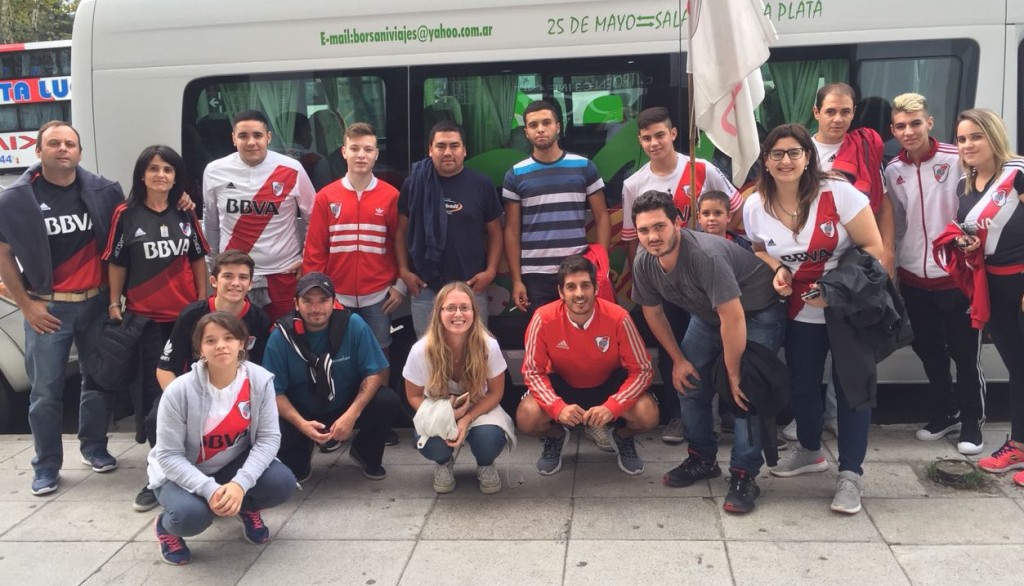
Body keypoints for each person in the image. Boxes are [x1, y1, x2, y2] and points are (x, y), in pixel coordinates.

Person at [744, 124, 884, 515]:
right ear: (766, 161)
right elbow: (756, 247)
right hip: (797, 309)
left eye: (793, 152)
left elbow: (873, 248)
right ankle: (809, 451)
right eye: (777, 154)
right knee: (802, 383)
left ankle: (851, 474)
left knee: (852, 387)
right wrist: (776, 268)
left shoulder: (839, 193)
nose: (785, 160)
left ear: (808, 157)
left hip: (847, 308)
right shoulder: (755, 204)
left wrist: (834, 291)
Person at [631, 190, 784, 515]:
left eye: (659, 227)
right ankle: (702, 458)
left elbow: (733, 317)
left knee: (745, 392)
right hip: (709, 315)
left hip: (754, 312)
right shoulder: (644, 260)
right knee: (689, 383)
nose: (652, 237)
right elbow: (652, 312)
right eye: (644, 230)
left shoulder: (704, 255)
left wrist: (732, 372)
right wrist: (678, 360)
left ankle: (744, 474)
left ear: (678, 222)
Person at [0, 121, 125, 496]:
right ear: (38, 151)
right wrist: (27, 305)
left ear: (80, 152)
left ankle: (94, 448)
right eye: (53, 143)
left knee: (98, 382)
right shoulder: (15, 199)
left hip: (97, 303)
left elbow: (130, 228)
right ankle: (47, 466)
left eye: (70, 143)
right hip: (50, 310)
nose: (62, 149)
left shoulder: (105, 190)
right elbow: (3, 254)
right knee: (45, 392)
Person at [621, 107, 742, 445]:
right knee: (673, 345)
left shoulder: (701, 169)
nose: (654, 142)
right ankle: (678, 414)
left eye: (660, 134)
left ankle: (731, 410)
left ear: (674, 133)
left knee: (721, 343)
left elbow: (734, 206)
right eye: (646, 137)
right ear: (640, 142)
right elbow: (633, 240)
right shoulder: (634, 184)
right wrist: (642, 279)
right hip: (667, 280)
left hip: (710, 276)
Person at [148, 311, 296, 565]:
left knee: (282, 483)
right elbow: (168, 456)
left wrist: (240, 484)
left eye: (229, 337)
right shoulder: (179, 391)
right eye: (210, 340)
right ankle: (165, 528)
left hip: (231, 465)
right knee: (191, 516)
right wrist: (209, 489)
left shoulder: (259, 380)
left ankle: (247, 506)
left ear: (242, 343)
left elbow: (269, 439)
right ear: (200, 349)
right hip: (183, 472)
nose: (220, 346)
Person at [133, 250, 273, 512]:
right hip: (191, 392)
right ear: (214, 281)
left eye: (243, 277)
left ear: (251, 284)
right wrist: (183, 403)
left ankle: (240, 481)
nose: (235, 283)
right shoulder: (191, 315)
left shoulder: (259, 319)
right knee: (155, 417)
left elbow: (258, 371)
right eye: (228, 276)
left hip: (236, 394)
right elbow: (165, 369)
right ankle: (160, 479)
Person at [884, 93, 985, 454]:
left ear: (929, 122)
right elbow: (895, 223)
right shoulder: (893, 170)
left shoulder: (955, 158)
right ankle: (946, 411)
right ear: (893, 130)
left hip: (955, 276)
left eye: (915, 123)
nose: (908, 132)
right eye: (900, 126)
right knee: (929, 350)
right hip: (913, 277)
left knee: (964, 351)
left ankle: (973, 420)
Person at [516, 255, 656, 476]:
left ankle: (622, 436)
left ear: (596, 288)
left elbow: (642, 370)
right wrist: (556, 407)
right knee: (527, 417)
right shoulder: (542, 319)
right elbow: (533, 372)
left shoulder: (619, 317)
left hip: (608, 384)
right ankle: (556, 437)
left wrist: (614, 406)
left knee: (647, 414)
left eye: (585, 286)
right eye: (571, 287)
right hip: (564, 385)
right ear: (561, 292)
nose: (579, 294)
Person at [263, 272, 401, 482]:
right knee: (293, 468)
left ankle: (364, 452)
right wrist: (301, 424)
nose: (316, 309)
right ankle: (301, 450)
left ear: (335, 302)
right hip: (302, 407)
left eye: (323, 300)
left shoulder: (353, 324)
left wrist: (352, 414)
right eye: (307, 301)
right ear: (296, 304)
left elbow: (375, 372)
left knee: (386, 400)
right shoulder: (281, 336)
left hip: (343, 401)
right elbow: (274, 392)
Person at [950, 109, 1024, 486]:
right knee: (1018, 368)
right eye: (962, 139)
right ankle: (1019, 446)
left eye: (975, 136)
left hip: (1021, 284)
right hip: (993, 286)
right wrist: (968, 244)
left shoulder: (1018, 172)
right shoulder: (969, 183)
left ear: (993, 136)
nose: (967, 145)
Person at [203, 109, 316, 322]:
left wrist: (306, 258)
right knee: (236, 340)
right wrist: (213, 263)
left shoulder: (292, 168)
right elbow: (210, 222)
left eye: (257, 135)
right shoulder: (214, 171)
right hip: (235, 276)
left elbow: (314, 217)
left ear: (269, 137)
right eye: (243, 136)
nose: (251, 142)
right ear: (233, 138)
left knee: (282, 338)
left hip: (282, 273)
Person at [403, 281, 515, 494]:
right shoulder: (421, 350)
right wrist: (445, 414)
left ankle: (486, 464)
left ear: (474, 311)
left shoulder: (488, 345)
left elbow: (496, 392)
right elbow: (414, 395)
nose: (458, 314)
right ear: (439, 312)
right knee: (431, 443)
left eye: (464, 307)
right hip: (438, 405)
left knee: (489, 438)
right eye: (450, 308)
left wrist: (465, 418)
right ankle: (443, 462)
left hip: (479, 405)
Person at [396, 121, 503, 337]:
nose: (447, 152)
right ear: (430, 150)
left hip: (471, 288)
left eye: (454, 146)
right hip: (426, 287)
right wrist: (404, 272)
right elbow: (401, 232)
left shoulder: (481, 184)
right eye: (440, 146)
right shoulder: (414, 184)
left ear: (464, 150)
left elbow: (495, 231)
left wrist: (490, 271)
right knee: (428, 357)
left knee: (476, 354)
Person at [502, 100, 611, 312]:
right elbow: (512, 230)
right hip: (535, 274)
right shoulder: (514, 175)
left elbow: (602, 216)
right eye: (533, 125)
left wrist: (600, 264)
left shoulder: (584, 167)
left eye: (546, 122)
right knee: (545, 336)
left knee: (582, 331)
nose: (540, 129)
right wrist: (517, 280)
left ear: (558, 127)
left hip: (578, 270)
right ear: (526, 132)